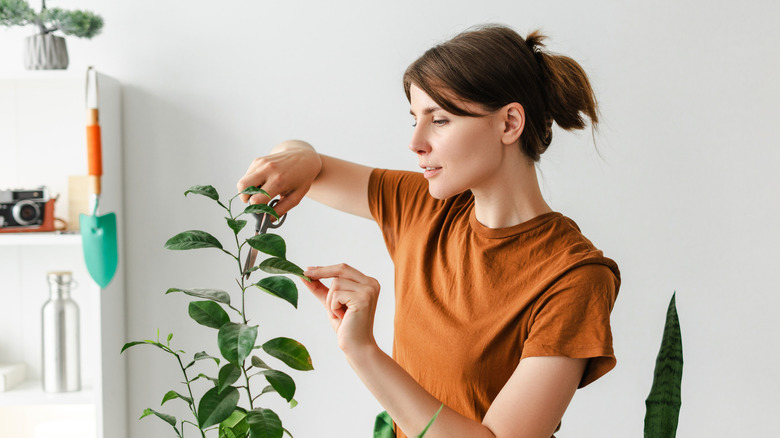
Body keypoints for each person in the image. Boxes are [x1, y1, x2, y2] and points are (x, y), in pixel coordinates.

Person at [237, 24, 620, 438]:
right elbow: (312, 168)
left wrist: (362, 351)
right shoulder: (423, 207)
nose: (416, 142)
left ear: (510, 123)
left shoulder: (575, 278)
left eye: (439, 120)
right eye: (414, 119)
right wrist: (297, 152)